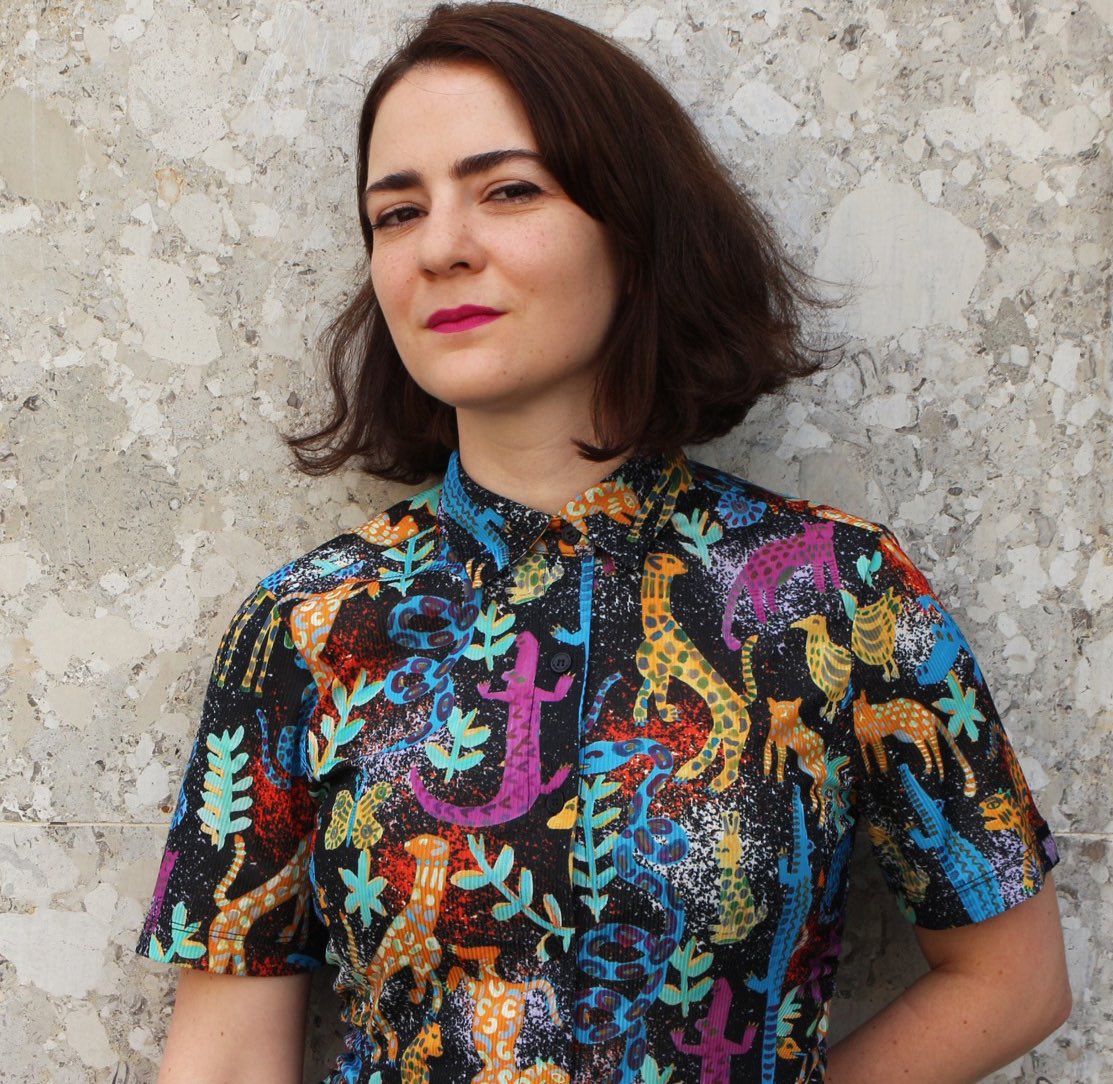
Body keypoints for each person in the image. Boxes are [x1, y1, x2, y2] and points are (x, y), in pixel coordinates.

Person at [136, 4, 1071, 1082]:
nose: (440, 246)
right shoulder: (305, 630)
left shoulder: (834, 592)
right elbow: (224, 1057)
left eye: (508, 190)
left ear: (634, 229)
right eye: (396, 213)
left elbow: (1014, 978)